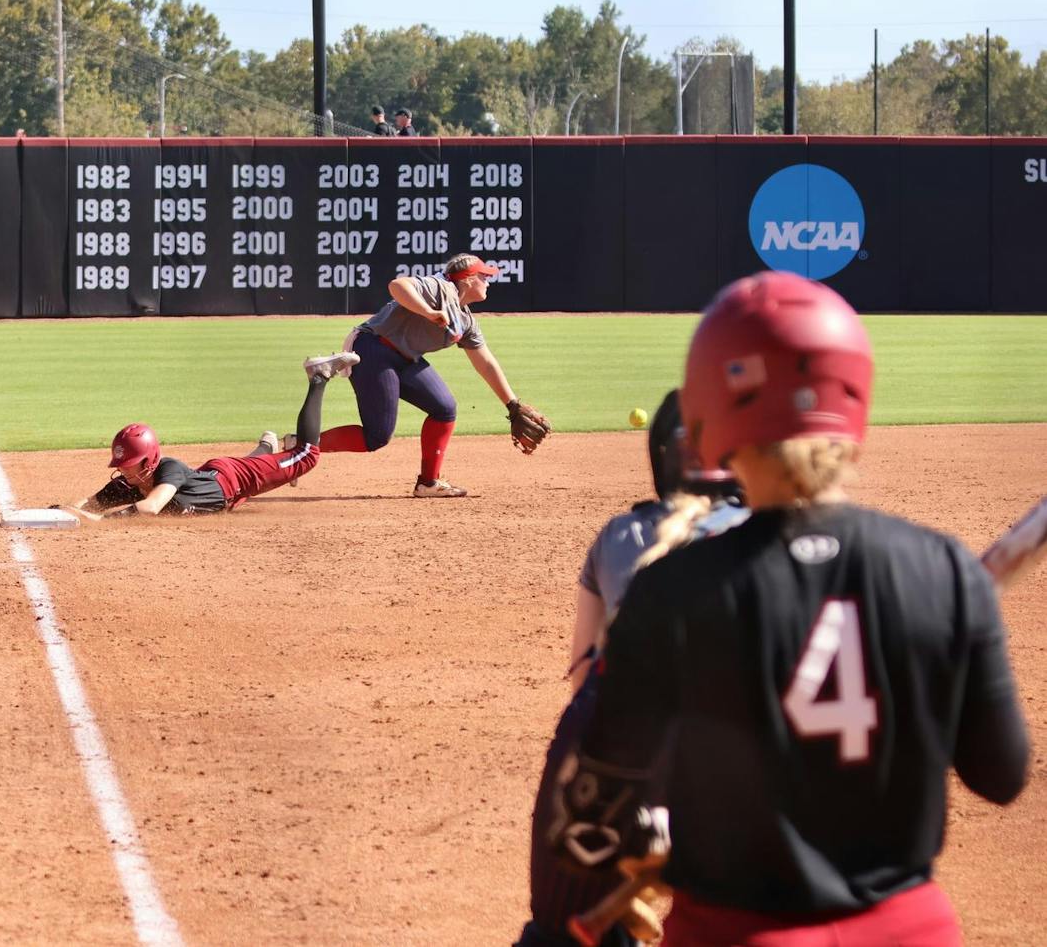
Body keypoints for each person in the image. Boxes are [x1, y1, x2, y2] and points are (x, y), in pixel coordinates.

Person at [548, 271, 1030, 946]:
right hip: (911, 931)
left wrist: (657, 843)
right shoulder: (944, 568)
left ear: (710, 402)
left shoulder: (674, 588)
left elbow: (589, 821)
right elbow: (1001, 774)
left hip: (734, 930)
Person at [516, 389, 746, 947]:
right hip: (746, 769)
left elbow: (584, 677)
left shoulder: (621, 536)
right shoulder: (782, 535)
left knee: (561, 931)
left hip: (619, 758)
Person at [314, 253, 550, 498]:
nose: (488, 282)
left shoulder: (465, 320)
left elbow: (486, 362)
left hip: (405, 357)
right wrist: (428, 311)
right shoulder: (439, 287)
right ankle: (304, 445)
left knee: (444, 407)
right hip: (372, 347)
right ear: (468, 279)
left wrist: (512, 404)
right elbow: (398, 286)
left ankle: (428, 483)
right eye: (484, 276)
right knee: (377, 435)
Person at [70, 351, 358, 519]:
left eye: (129, 462)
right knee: (248, 475)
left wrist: (101, 520)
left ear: (149, 461)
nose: (122, 468)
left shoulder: (168, 469)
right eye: (121, 463)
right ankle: (266, 448)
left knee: (306, 457)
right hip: (227, 489)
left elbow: (151, 507)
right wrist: (63, 513)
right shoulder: (127, 485)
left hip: (235, 478)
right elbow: (85, 505)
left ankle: (318, 377)